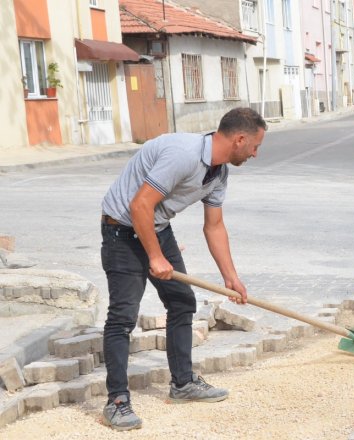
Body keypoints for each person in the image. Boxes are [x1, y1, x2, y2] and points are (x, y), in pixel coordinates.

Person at [99, 107, 267, 430]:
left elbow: (214, 226)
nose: (255, 154)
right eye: (255, 147)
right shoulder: (184, 155)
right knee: (122, 316)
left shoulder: (219, 173)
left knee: (182, 302)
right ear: (240, 139)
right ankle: (117, 401)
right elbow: (139, 205)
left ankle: (183, 383)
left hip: (155, 226)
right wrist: (154, 256)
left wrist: (231, 278)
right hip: (121, 228)